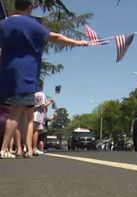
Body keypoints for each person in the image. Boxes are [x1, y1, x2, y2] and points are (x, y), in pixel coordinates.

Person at [0, 0, 88, 158]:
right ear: (29, 7)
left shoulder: (4, 23)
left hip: (6, 69)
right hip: (24, 71)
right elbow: (53, 36)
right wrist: (76, 42)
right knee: (17, 111)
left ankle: (24, 149)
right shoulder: (29, 23)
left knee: (20, 113)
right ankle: (4, 148)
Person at [33, 80, 54, 155]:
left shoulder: (34, 94)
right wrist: (49, 102)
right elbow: (42, 105)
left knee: (31, 131)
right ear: (41, 86)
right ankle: (34, 148)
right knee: (35, 131)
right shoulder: (41, 94)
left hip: (32, 114)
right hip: (38, 115)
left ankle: (29, 147)